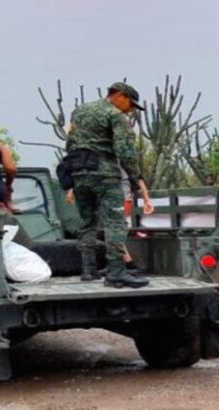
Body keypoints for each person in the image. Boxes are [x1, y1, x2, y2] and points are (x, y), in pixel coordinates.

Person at [65, 82, 153, 288]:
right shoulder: (115, 115)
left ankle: (88, 270)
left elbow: (70, 142)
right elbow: (125, 150)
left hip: (79, 172)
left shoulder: (79, 111)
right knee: (115, 222)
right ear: (120, 96)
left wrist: (71, 174)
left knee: (87, 220)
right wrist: (135, 177)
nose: (131, 109)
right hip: (104, 174)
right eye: (131, 104)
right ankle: (116, 272)